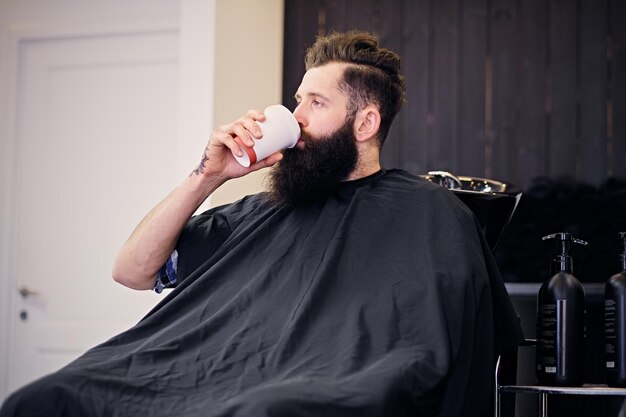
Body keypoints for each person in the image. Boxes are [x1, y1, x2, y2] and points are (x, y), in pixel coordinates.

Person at [1, 31, 522, 417]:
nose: (294, 116)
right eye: (297, 99)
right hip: (196, 383)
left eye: (315, 103)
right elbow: (132, 271)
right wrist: (208, 177)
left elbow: (435, 353)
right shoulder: (261, 212)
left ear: (365, 123)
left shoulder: (429, 213)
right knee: (47, 398)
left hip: (300, 394)